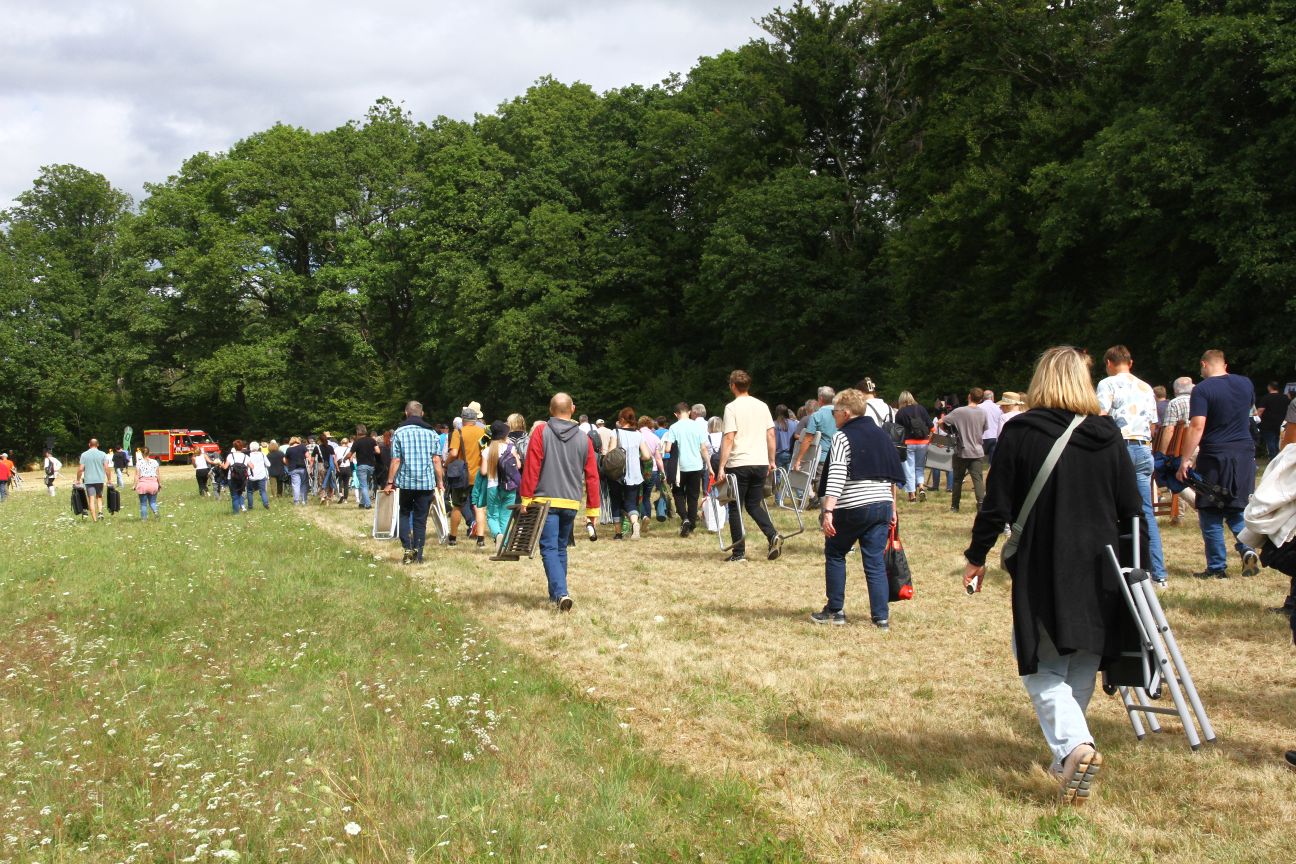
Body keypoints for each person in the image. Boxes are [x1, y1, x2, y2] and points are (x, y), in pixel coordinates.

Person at [961, 346, 1146, 805]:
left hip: (1046, 564)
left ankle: (1074, 747)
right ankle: (1067, 754)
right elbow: (1131, 509)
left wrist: (976, 555)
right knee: (1081, 659)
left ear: (1040, 380)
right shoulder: (1108, 434)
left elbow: (996, 505)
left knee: (1040, 667)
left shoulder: (1021, 432)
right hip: (1103, 566)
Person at [814, 388, 905, 629]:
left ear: (845, 413)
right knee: (874, 561)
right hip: (882, 504)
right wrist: (892, 508)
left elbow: (836, 475)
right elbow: (891, 475)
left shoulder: (842, 437)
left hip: (853, 505)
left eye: (834, 412)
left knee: (836, 552)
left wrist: (828, 511)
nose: (833, 416)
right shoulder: (882, 435)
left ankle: (835, 610)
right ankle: (881, 617)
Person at [1177, 350, 1261, 579]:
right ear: (1225, 364)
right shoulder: (1245, 383)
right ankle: (1247, 548)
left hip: (1215, 454)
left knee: (1210, 508)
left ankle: (1216, 568)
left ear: (1204, 364)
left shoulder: (1202, 389)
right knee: (1236, 506)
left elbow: (1197, 425)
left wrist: (1185, 459)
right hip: (1244, 453)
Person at [520, 392, 601, 610]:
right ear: (572, 409)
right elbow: (592, 476)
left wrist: (526, 498)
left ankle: (561, 593)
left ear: (550, 410)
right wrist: (592, 510)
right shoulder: (584, 439)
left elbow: (532, 467)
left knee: (549, 548)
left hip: (544, 500)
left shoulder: (541, 432)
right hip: (571, 502)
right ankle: (556, 593)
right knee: (560, 548)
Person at [1097, 345, 1168, 587]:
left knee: (1110, 508)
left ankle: (1116, 566)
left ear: (1109, 363)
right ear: (1131, 362)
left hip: (1120, 448)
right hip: (1144, 448)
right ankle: (1158, 573)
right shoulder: (1146, 387)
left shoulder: (1107, 384)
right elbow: (1153, 425)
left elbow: (1101, 416)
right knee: (1145, 510)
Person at [716, 369, 782, 562]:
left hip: (739, 463)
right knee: (753, 504)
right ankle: (772, 535)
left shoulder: (731, 408)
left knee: (735, 507)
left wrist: (721, 466)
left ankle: (738, 553)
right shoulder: (762, 406)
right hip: (760, 462)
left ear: (732, 386)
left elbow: (729, 437)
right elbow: (771, 434)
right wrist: (771, 460)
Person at [383, 401, 444, 564]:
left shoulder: (399, 432)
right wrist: (440, 481)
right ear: (422, 414)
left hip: (405, 483)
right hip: (426, 483)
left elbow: (396, 460)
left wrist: (390, 482)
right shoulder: (432, 433)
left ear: (406, 413)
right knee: (420, 519)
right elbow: (436, 460)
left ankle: (407, 548)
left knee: (404, 514)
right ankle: (419, 553)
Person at [666, 401, 711, 537]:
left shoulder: (674, 427)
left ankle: (684, 518)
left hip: (680, 468)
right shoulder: (697, 426)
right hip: (696, 466)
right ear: (689, 412)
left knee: (678, 494)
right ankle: (691, 525)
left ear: (676, 414)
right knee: (693, 496)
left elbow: (668, 448)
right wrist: (709, 466)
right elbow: (703, 448)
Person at [942, 390, 988, 513]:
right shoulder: (983, 412)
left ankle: (955, 506)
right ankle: (981, 505)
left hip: (961, 450)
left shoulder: (959, 411)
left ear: (969, 396)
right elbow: (984, 429)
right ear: (981, 400)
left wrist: (948, 431)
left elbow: (942, 421)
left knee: (957, 480)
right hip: (977, 450)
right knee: (978, 479)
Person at [608, 407, 650, 540]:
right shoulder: (638, 434)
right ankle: (635, 523)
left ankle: (618, 533)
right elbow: (647, 455)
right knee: (631, 502)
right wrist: (637, 459)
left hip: (617, 474)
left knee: (615, 501)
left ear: (621, 419)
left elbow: (611, 453)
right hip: (635, 475)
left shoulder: (615, 432)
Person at [448, 407, 488, 547]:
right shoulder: (483, 432)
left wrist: (446, 463)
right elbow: (485, 451)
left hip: (462, 476)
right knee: (479, 507)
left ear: (463, 419)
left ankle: (453, 538)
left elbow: (454, 453)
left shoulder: (458, 432)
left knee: (457, 506)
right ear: (475, 419)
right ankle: (481, 539)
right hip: (479, 475)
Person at [482, 420, 522, 551]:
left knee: (492, 516)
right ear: (505, 435)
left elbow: (483, 471)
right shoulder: (510, 448)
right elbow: (518, 466)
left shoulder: (487, 451)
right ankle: (504, 545)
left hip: (493, 486)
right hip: (509, 486)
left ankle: (498, 534)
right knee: (505, 516)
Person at [792, 387, 836, 484]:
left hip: (822, 457)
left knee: (821, 484)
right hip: (838, 456)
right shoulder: (841, 413)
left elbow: (808, 438)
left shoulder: (817, 415)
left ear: (820, 399)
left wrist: (799, 459)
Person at [895, 391, 932, 503]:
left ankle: (912, 495)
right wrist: (929, 440)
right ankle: (921, 487)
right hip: (923, 442)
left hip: (908, 443)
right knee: (919, 467)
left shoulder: (900, 413)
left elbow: (897, 430)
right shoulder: (921, 409)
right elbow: (931, 426)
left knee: (909, 469)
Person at [76, 438, 111, 521]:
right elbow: (106, 468)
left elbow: (80, 469)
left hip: (89, 480)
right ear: (97, 444)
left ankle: (94, 520)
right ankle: (100, 513)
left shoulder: (84, 455)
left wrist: (78, 479)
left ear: (89, 444)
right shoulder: (103, 454)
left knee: (91, 499)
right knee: (99, 497)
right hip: (99, 479)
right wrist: (109, 479)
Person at [1258, 381, 1290, 460]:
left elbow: (1260, 410)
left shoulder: (1266, 397)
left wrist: (1256, 420)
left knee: (1270, 441)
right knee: (1280, 441)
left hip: (1268, 424)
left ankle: (1272, 458)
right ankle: (1279, 458)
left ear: (1269, 387)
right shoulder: (1285, 398)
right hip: (1282, 424)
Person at [351, 425, 379, 509]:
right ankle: (362, 503)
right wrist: (371, 452)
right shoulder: (372, 440)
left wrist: (344, 458)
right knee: (365, 484)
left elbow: (350, 454)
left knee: (363, 486)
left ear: (357, 432)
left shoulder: (357, 442)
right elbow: (378, 451)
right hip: (371, 466)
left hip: (361, 466)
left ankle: (368, 504)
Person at [222, 440, 250, 514]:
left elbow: (225, 467)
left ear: (234, 447)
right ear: (242, 447)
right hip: (243, 478)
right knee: (240, 493)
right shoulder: (246, 456)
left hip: (232, 478)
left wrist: (219, 463)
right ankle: (242, 507)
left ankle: (236, 512)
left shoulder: (230, 456)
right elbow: (252, 466)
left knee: (234, 496)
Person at [134, 446, 161, 520]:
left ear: (142, 454)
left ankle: (144, 520)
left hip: (143, 484)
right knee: (153, 502)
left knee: (143, 504)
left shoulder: (139, 463)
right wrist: (159, 484)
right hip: (153, 484)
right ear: (149, 453)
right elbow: (158, 474)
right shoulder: (155, 462)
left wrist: (134, 485)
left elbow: (137, 475)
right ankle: (155, 511)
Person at [978, 388, 1004, 462]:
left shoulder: (978, 407)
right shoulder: (999, 407)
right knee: (993, 461)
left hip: (981, 436)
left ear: (983, 397)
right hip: (994, 436)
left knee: (978, 461)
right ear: (992, 397)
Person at [285, 436, 310, 505]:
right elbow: (308, 456)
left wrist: (288, 465)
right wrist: (310, 466)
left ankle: (296, 501)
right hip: (303, 468)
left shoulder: (289, 449)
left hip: (293, 469)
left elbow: (285, 460)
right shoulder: (302, 447)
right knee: (304, 484)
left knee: (295, 485)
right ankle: (304, 500)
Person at [246, 441, 271, 510]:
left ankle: (250, 506)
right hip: (261, 475)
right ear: (258, 447)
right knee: (262, 491)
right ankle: (266, 504)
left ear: (250, 447)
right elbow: (268, 464)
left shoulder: (248, 455)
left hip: (251, 476)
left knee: (249, 491)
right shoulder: (262, 454)